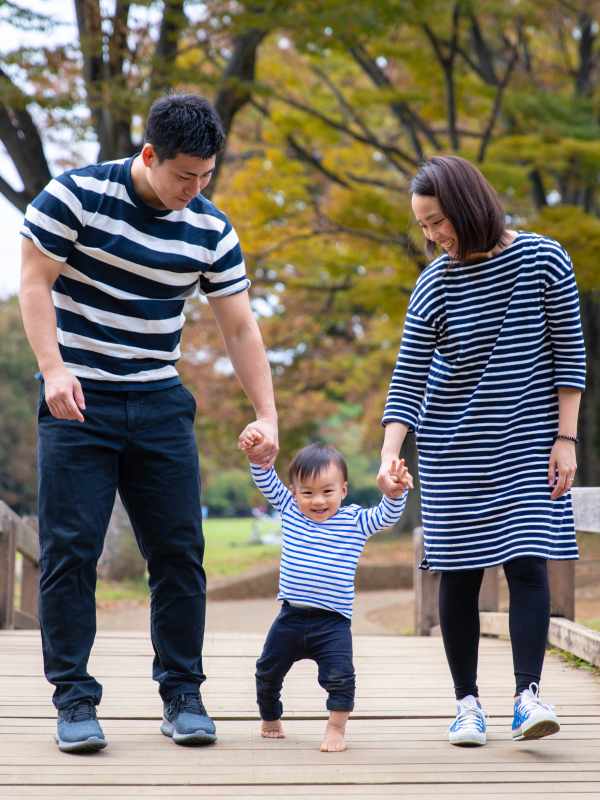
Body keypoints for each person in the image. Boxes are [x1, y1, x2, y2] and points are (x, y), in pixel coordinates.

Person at [19, 94, 278, 753]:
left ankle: (183, 694)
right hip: (77, 397)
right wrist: (52, 369)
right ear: (149, 156)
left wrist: (266, 414)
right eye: (183, 175)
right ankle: (75, 701)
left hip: (159, 400)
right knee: (70, 552)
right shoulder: (74, 197)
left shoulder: (211, 229)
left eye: (206, 176)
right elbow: (33, 283)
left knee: (180, 552)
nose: (195, 190)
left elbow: (240, 326)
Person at [378, 155, 586, 746]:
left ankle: (528, 697)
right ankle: (466, 703)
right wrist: (391, 454)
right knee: (461, 574)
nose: (433, 236)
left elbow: (569, 357)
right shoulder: (434, 283)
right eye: (423, 227)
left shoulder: (544, 259)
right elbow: (409, 376)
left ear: (469, 205)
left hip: (527, 440)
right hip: (450, 445)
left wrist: (565, 440)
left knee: (528, 559)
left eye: (438, 221)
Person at [239, 436, 412, 751]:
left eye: (328, 492)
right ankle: (270, 717)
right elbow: (266, 480)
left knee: (341, 676)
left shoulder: (354, 520)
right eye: (307, 493)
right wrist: (257, 456)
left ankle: (335, 728)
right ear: (294, 493)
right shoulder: (291, 510)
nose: (317, 501)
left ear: (343, 490)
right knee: (267, 670)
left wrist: (394, 493)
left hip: (332, 622)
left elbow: (385, 517)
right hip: (290, 617)